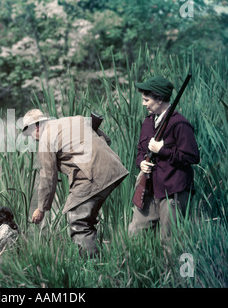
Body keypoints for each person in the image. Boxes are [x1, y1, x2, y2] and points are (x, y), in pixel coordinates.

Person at [22, 109, 129, 258]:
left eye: (30, 134)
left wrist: (41, 209)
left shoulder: (46, 139)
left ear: (36, 127)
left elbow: (48, 177)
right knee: (86, 218)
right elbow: (106, 140)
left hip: (93, 175)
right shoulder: (76, 119)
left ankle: (91, 267)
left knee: (77, 220)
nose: (33, 139)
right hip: (115, 168)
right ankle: (102, 259)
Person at [128, 76, 200, 239]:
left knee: (169, 240)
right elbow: (141, 150)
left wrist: (163, 150)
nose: (143, 104)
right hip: (149, 189)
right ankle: (133, 264)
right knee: (134, 234)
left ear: (159, 99)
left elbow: (192, 157)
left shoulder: (180, 124)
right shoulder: (147, 122)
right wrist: (141, 163)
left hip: (173, 191)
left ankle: (172, 266)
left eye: (146, 100)